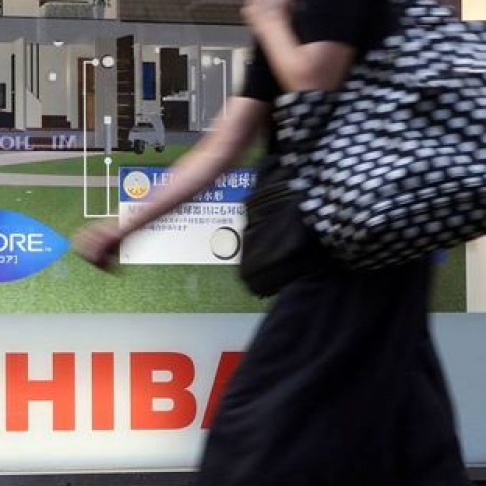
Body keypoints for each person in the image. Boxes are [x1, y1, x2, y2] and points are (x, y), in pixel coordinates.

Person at [73, 0, 472, 484]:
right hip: (362, 245)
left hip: (340, 251)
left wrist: (268, 22)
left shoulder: (304, 13)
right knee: (401, 423)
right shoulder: (288, 18)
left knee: (263, 427)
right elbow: (223, 144)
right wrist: (128, 225)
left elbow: (314, 76)